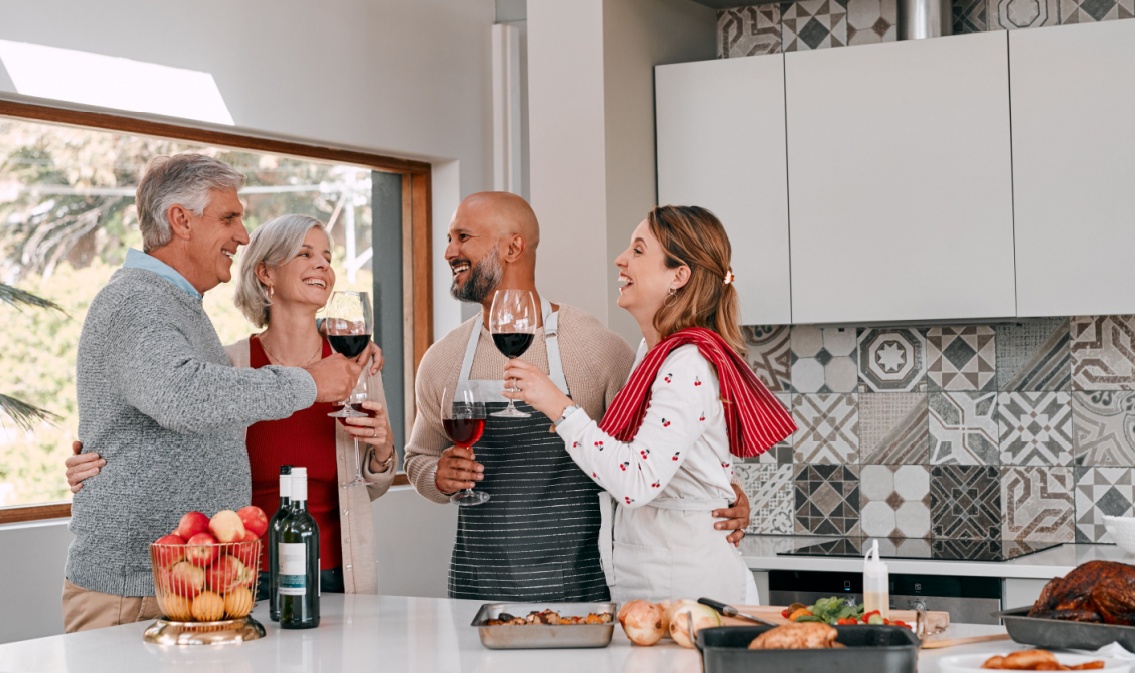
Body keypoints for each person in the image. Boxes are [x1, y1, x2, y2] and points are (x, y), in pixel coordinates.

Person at [63, 155, 366, 633]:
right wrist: (309, 382)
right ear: (180, 220)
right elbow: (184, 396)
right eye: (229, 218)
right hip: (136, 588)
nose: (243, 237)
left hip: (193, 582)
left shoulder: (178, 305)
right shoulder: (135, 300)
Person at [404, 192, 753, 603]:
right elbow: (418, 459)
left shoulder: (600, 348)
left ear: (514, 247)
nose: (448, 251)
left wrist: (725, 489)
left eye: (463, 236)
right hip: (477, 585)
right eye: (449, 237)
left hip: (584, 588)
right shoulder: (442, 360)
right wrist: (438, 477)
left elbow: (649, 457)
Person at [503, 205, 795, 604]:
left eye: (638, 250)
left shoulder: (686, 363)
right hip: (657, 579)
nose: (621, 259)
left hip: (687, 590)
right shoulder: (653, 352)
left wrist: (559, 406)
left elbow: (638, 479)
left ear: (679, 276)